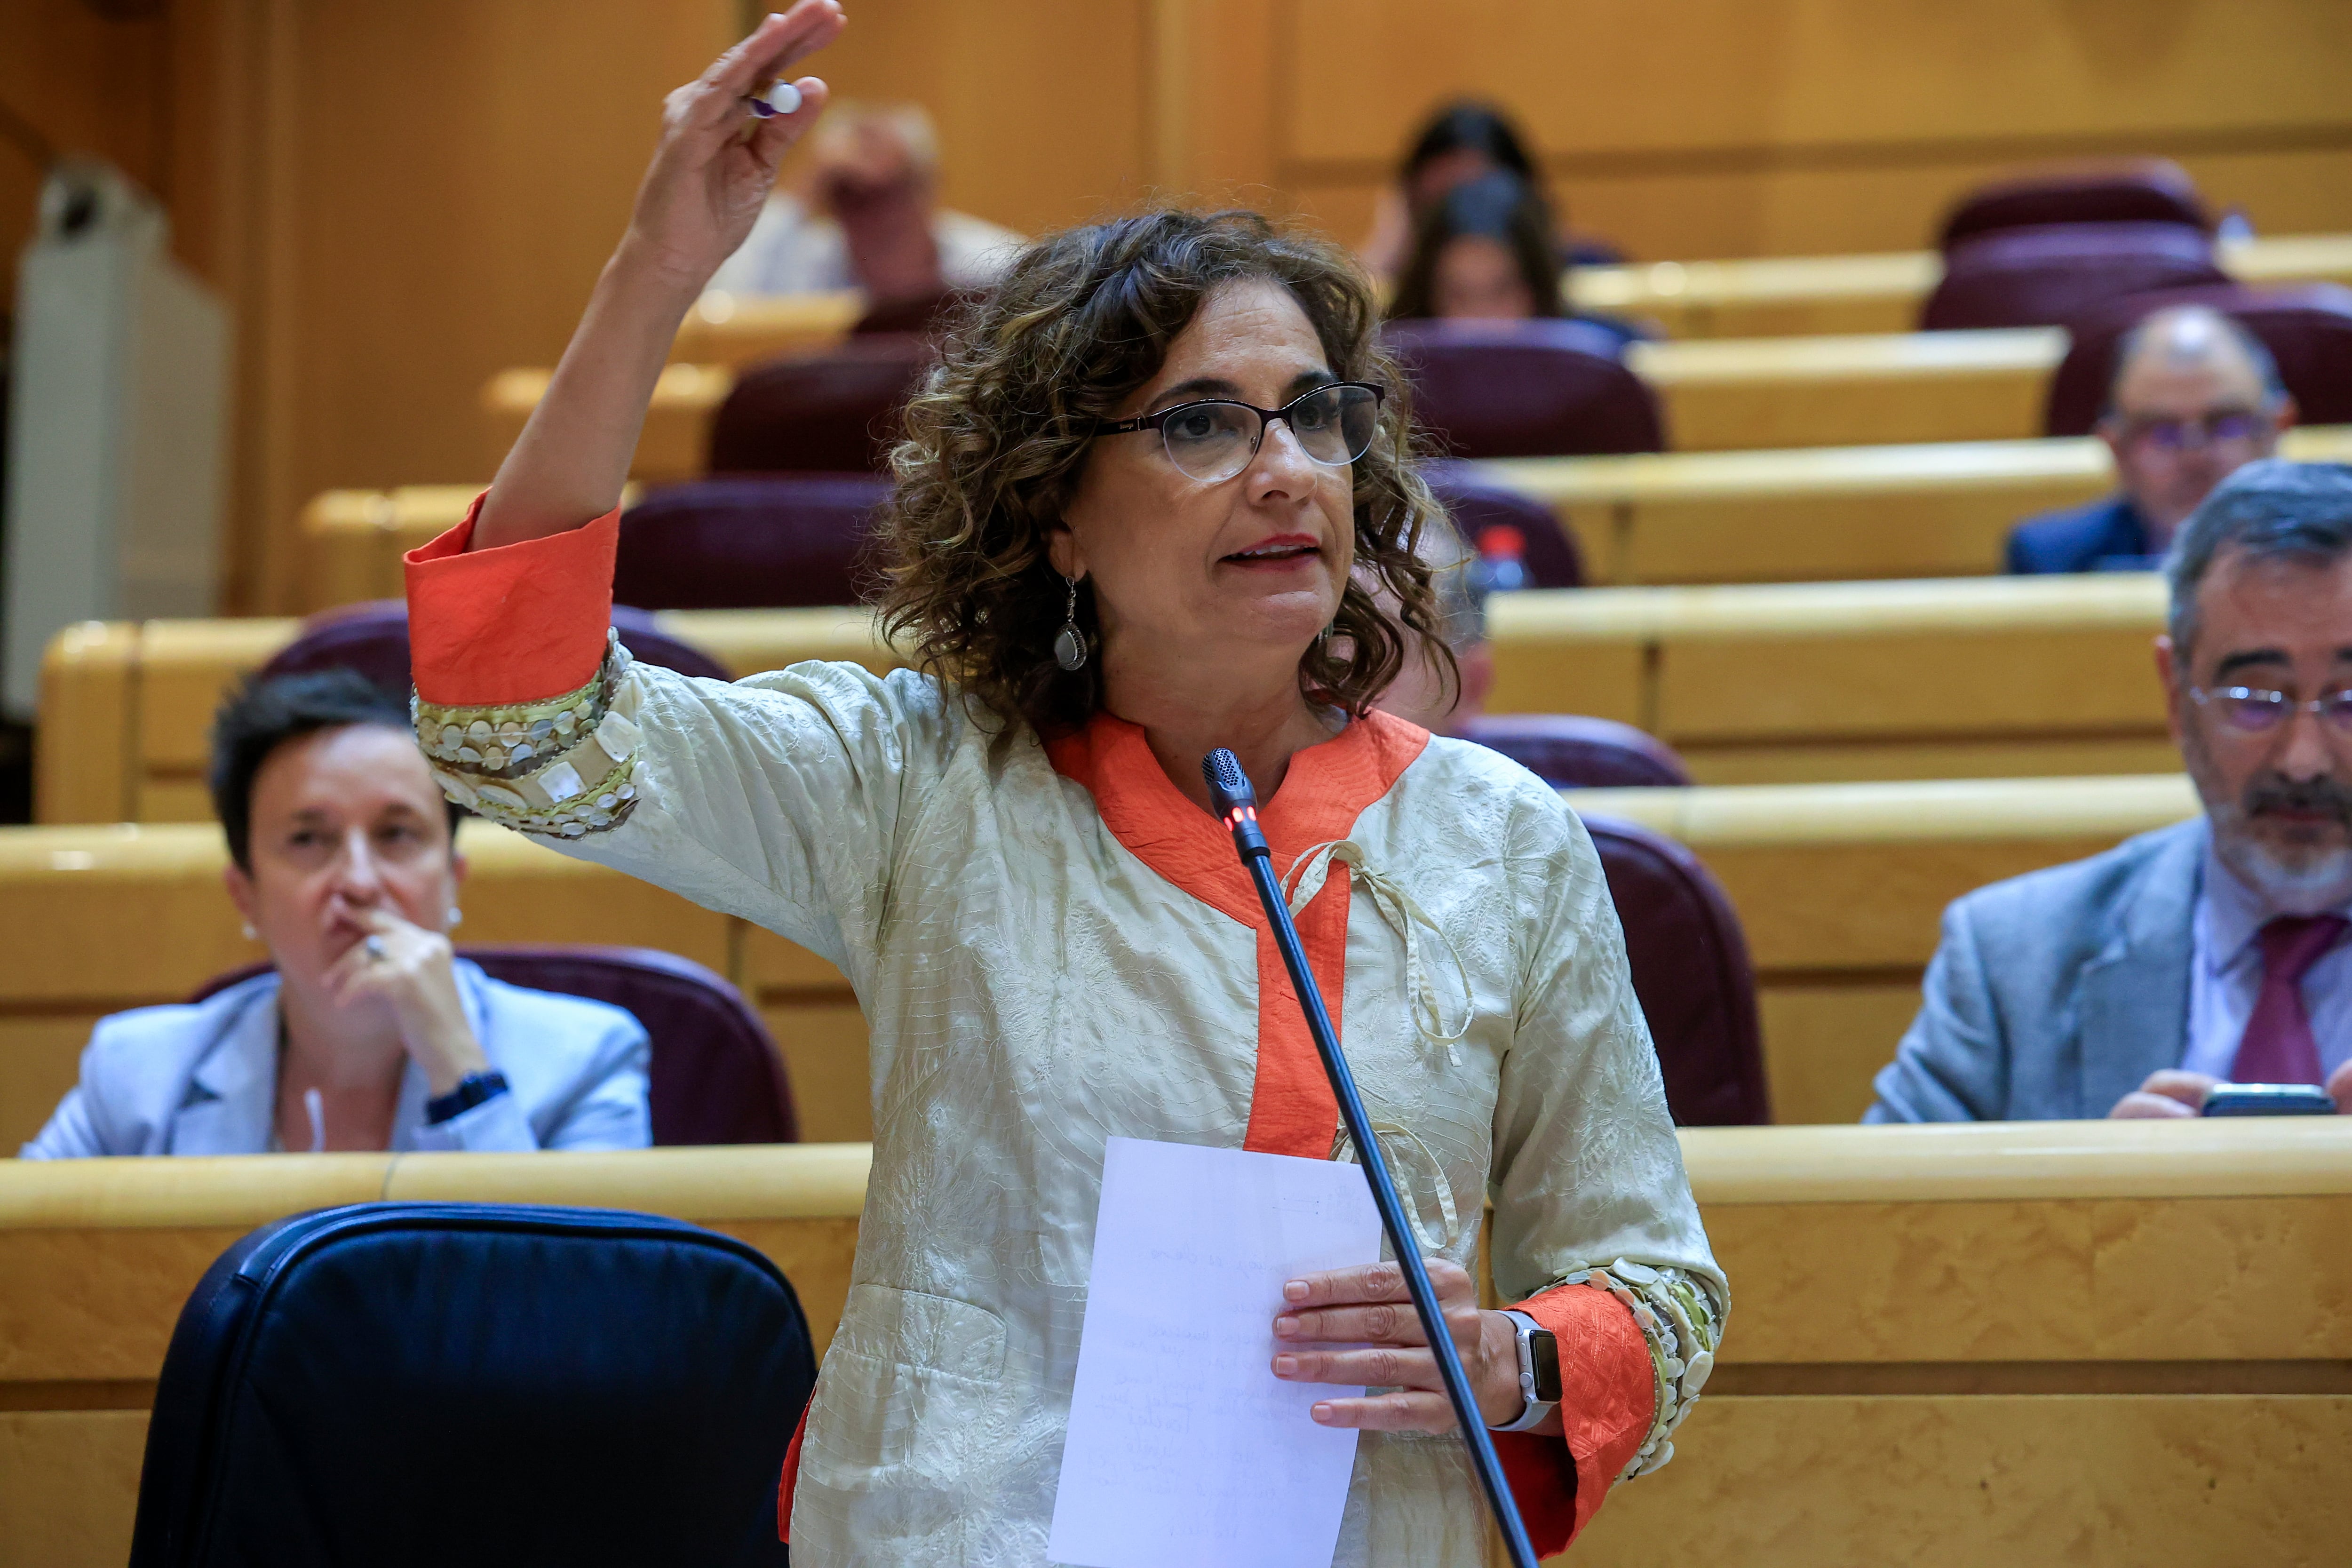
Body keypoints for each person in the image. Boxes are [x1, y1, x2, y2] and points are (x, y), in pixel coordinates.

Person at [403, 9, 1721, 1563]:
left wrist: (1516, 1357)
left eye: (1313, 413)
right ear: (1056, 517)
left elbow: (1657, 1292)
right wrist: (657, 273)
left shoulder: (1504, 840)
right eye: (1200, 424)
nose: (1287, 466)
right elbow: (516, 724)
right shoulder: (915, 784)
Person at [1871, 460, 2352, 1122]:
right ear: (2176, 695)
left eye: (2350, 702)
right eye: (2253, 698)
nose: (2304, 762)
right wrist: (2093, 1211)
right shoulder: (2012, 963)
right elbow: (1885, 1220)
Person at [22, 669, 652, 1158]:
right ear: (247, 896)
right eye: (309, 840)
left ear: (452, 881)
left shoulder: (585, 1064)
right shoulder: (136, 1078)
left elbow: (581, 1312)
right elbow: (32, 1277)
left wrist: (460, 1072)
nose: (357, 880)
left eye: (397, 834)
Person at [2006, 304, 2294, 573]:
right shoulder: (2052, 561)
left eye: (2226, 425)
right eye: (2162, 432)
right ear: (2117, 449)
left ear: (2278, 428)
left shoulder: (2335, 553)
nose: (2195, 457)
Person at [705, 96, 1023, 303]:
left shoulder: (995, 265)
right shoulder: (807, 268)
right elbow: (725, 308)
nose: (875, 214)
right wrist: (807, 184)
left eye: (892, 190)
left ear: (928, 186)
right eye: (851, 194)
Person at [1359, 101, 1619, 285]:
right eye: (1439, 206)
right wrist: (1384, 251)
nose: (1462, 222)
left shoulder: (1594, 274)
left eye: (1483, 198)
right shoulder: (1405, 286)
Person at [1387, 171, 1565, 324]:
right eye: (1457, 296)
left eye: (1501, 292)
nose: (1479, 322)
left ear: (1537, 291)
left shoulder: (1583, 354)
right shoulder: (1395, 349)